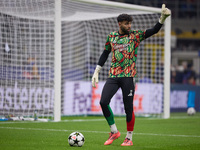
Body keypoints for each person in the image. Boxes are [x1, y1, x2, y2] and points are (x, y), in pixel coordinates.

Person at [92, 4, 171, 146]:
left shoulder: (135, 36)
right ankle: (114, 131)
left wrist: (162, 18)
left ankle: (129, 138)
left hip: (128, 77)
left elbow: (153, 30)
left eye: (130, 23)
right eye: (127, 23)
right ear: (120, 24)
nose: (129, 26)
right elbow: (105, 53)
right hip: (113, 76)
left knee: (128, 108)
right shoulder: (112, 37)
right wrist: (97, 69)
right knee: (103, 102)